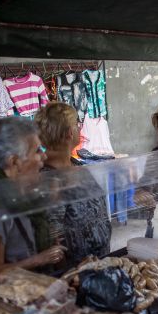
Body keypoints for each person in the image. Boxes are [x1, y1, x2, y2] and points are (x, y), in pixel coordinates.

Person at [0, 117, 68, 294]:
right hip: (8, 300)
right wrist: (40, 259)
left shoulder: (23, 193)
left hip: (33, 290)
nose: (44, 157)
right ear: (14, 162)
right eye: (38, 151)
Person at [35, 103, 112, 268]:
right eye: (77, 124)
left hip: (98, 261)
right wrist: (68, 276)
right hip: (77, 269)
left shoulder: (74, 164)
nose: (80, 128)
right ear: (70, 133)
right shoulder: (50, 178)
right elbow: (52, 234)